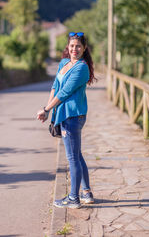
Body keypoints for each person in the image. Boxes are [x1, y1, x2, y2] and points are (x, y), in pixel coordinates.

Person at [37, 32, 96, 209]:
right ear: (67, 47)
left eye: (78, 46)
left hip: (73, 116)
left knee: (72, 158)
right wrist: (47, 110)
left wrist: (47, 109)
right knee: (76, 155)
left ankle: (73, 198)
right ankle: (86, 193)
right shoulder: (64, 63)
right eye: (72, 46)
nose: (74, 49)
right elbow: (55, 87)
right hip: (64, 115)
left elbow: (65, 93)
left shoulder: (82, 68)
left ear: (84, 48)